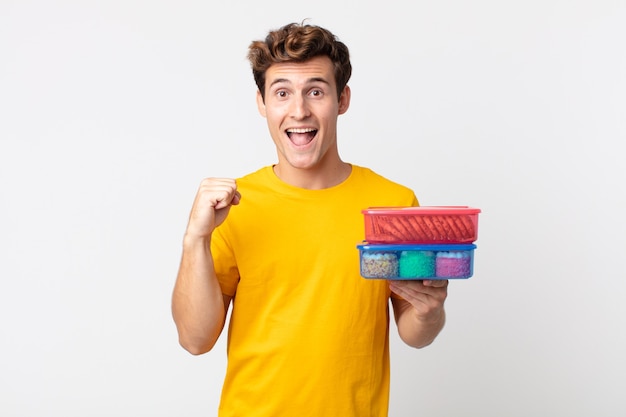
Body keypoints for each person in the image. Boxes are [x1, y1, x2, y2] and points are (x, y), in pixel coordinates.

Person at [172, 21, 448, 416]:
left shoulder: (394, 203)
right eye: (282, 93)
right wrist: (194, 239)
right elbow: (195, 340)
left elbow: (414, 333)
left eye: (315, 91)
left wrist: (429, 311)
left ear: (342, 99)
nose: (298, 110)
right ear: (262, 103)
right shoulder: (232, 206)